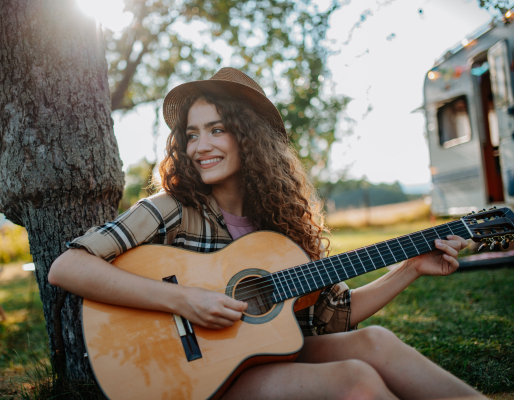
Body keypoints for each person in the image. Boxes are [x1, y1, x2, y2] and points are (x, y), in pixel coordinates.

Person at [49, 68, 484, 399]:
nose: (200, 147)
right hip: (195, 378)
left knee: (376, 341)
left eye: (218, 129)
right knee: (356, 380)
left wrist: (409, 269)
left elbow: (330, 317)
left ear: (250, 136)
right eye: (192, 134)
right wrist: (185, 300)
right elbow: (68, 267)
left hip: (259, 358)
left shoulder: (281, 225)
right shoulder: (170, 209)